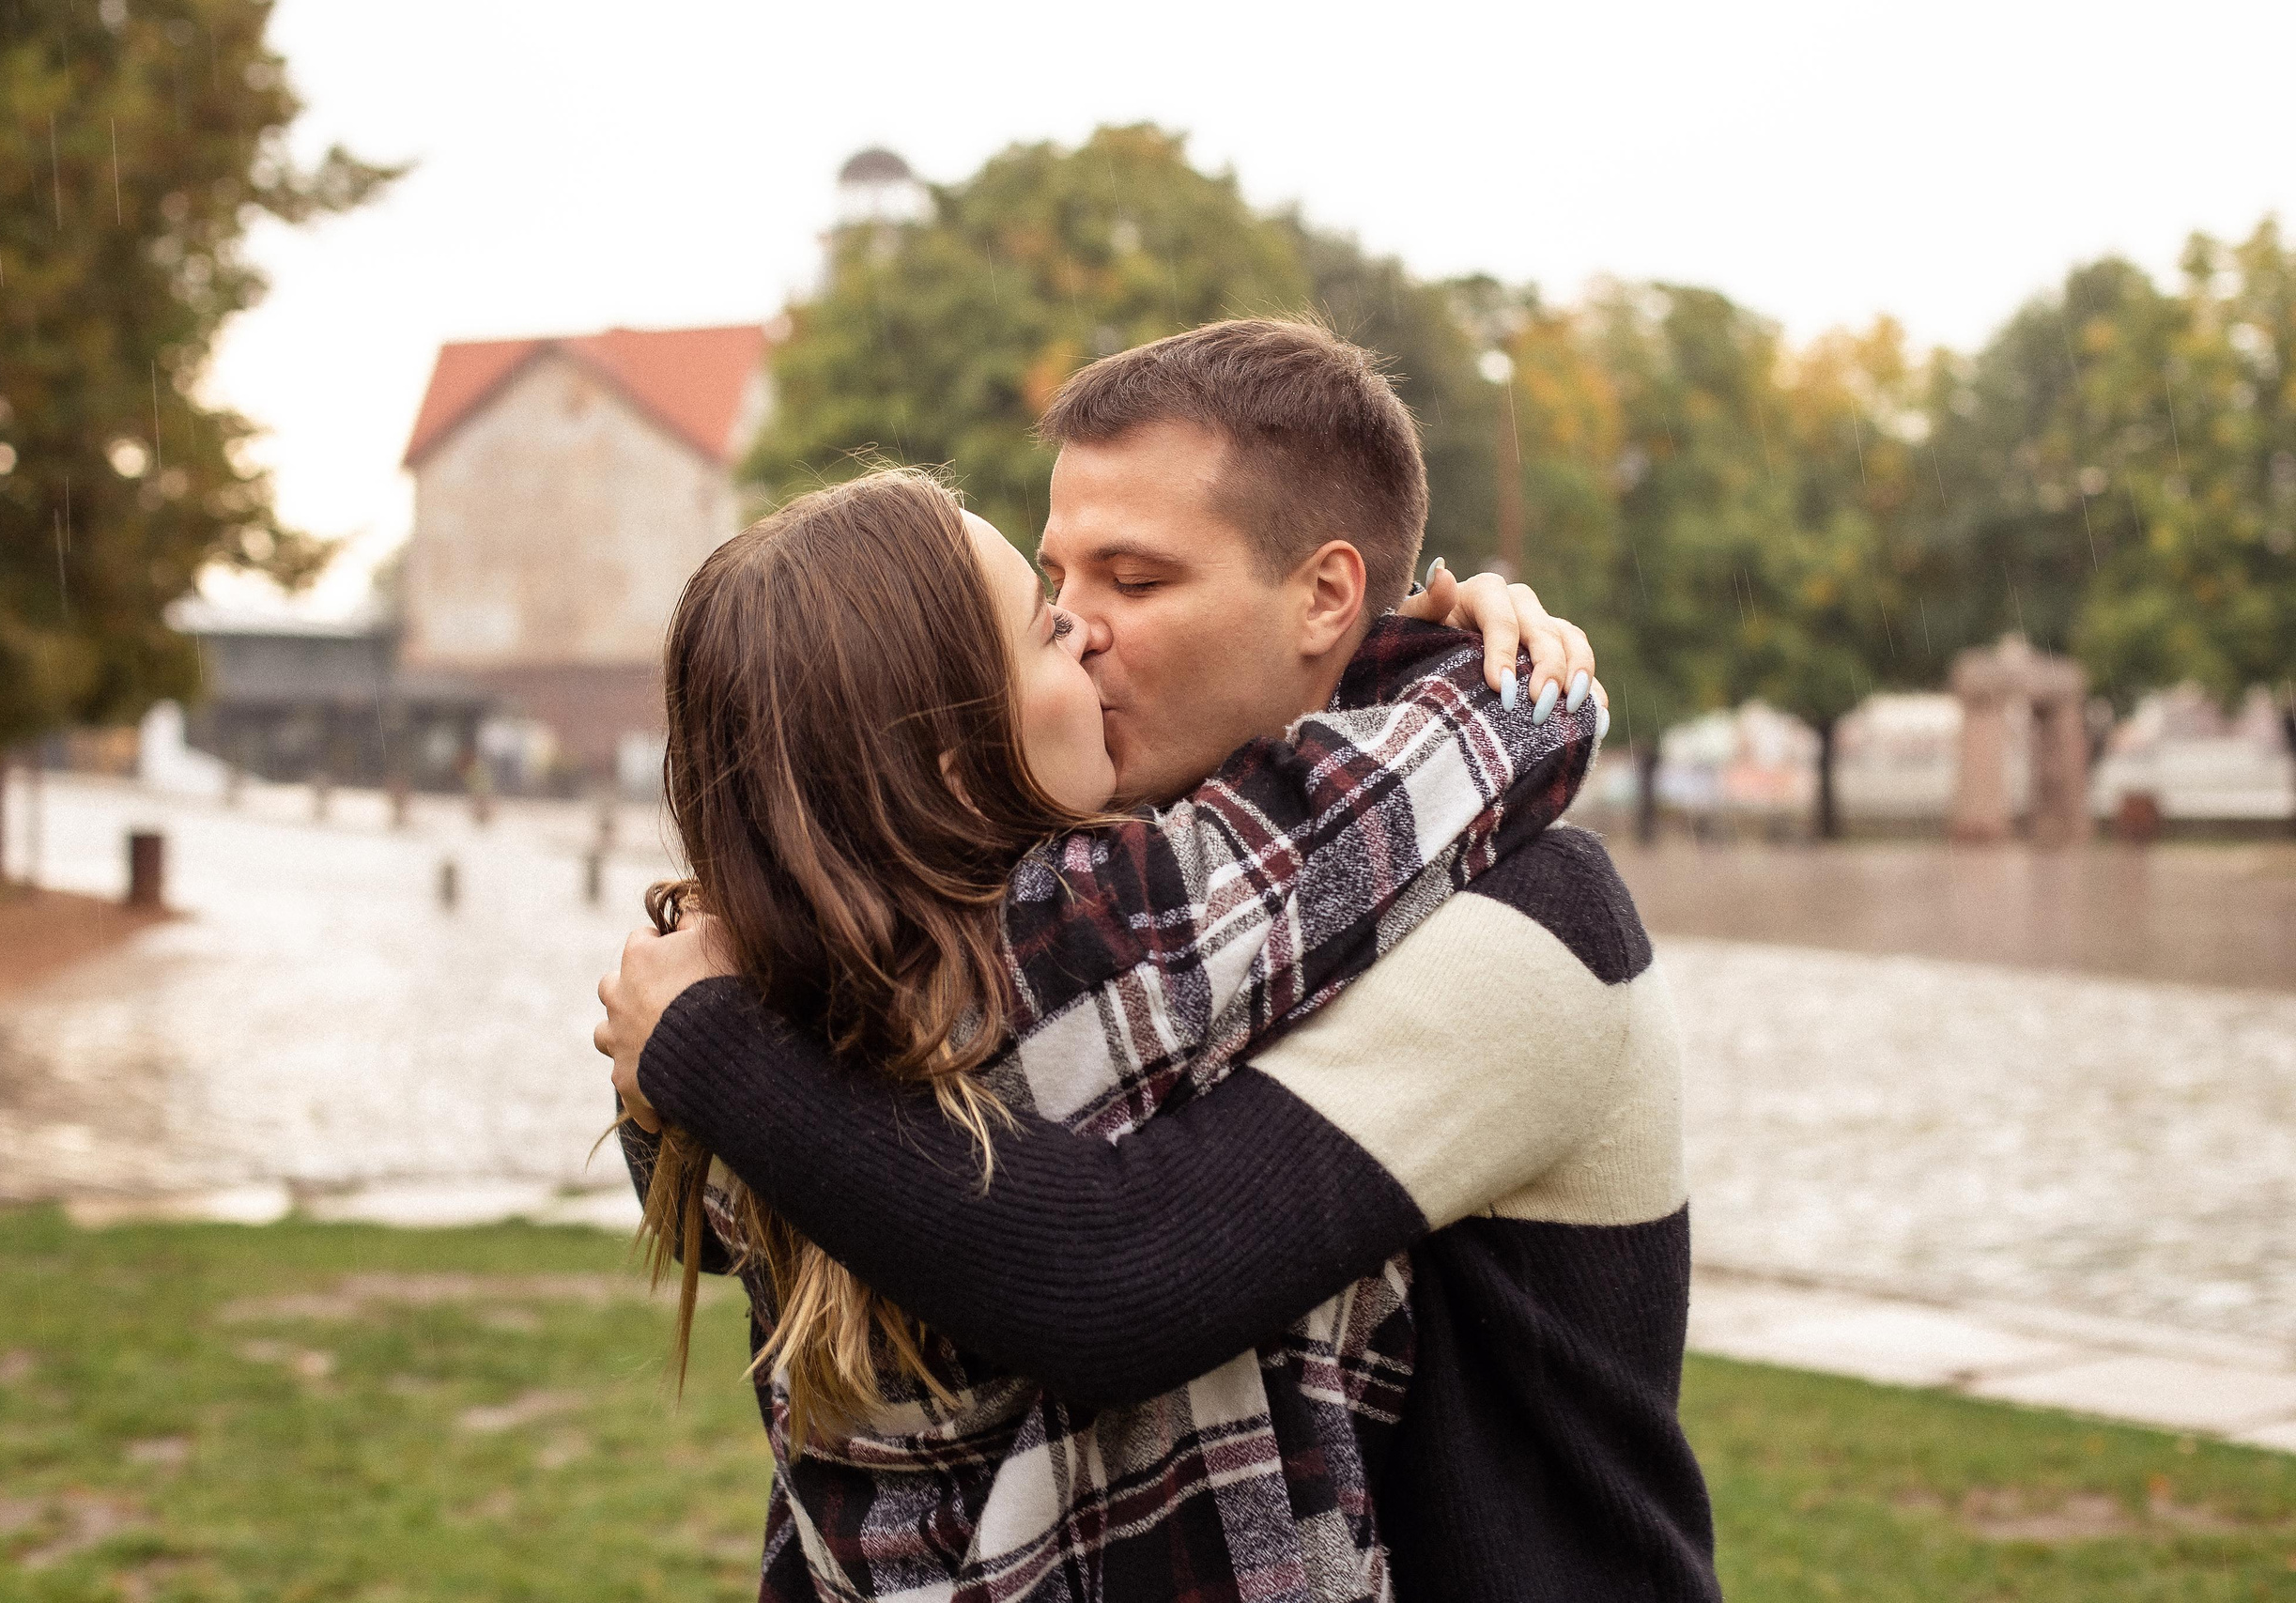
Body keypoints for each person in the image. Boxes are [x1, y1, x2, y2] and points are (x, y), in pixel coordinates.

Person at [605, 319, 1718, 1602]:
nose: (1080, 629)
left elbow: (1121, 1269)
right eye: (1054, 584)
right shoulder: (1087, 917)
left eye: (1133, 581)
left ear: (1324, 596)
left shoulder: (1526, 914)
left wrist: (705, 1040)